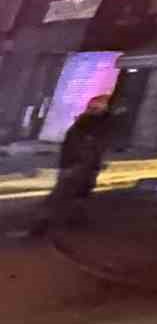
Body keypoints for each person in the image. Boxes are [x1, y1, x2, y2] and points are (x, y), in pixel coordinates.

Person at [38, 94, 113, 231]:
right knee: (69, 193)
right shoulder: (89, 124)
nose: (91, 109)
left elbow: (91, 145)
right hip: (79, 164)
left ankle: (50, 221)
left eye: (95, 106)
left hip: (81, 165)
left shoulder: (93, 124)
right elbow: (78, 144)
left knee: (72, 193)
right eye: (92, 106)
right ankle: (49, 221)